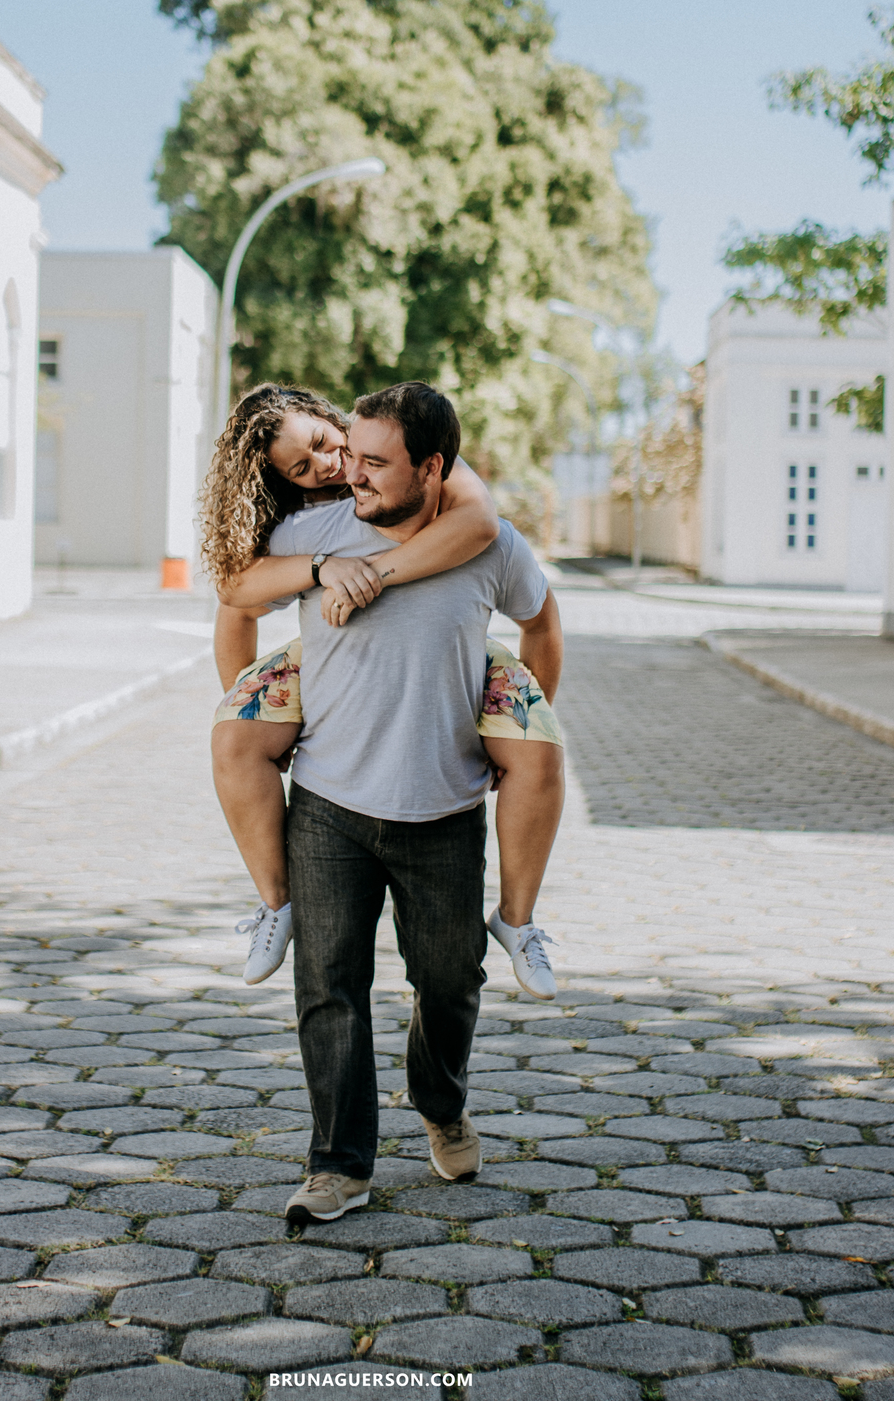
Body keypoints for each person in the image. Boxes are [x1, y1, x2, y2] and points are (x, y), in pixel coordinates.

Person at [257, 382, 561, 1223]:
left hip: (445, 808)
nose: (352, 474)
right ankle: (339, 1166)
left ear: (433, 469)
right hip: (327, 805)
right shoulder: (308, 534)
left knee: (450, 980)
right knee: (329, 985)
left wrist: (521, 724)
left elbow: (543, 619)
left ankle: (441, 1103)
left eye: (376, 463)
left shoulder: (491, 546)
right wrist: (246, 708)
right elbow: (236, 594)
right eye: (349, 455)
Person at [199, 383, 565, 1000]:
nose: (328, 466)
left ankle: (518, 920)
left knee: (539, 746)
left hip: (457, 646)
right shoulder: (306, 525)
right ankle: (275, 905)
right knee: (233, 736)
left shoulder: (422, 464)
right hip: (324, 655)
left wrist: (368, 577)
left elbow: (477, 522)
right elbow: (236, 599)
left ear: (328, 417)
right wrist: (322, 571)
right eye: (302, 468)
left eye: (321, 443)